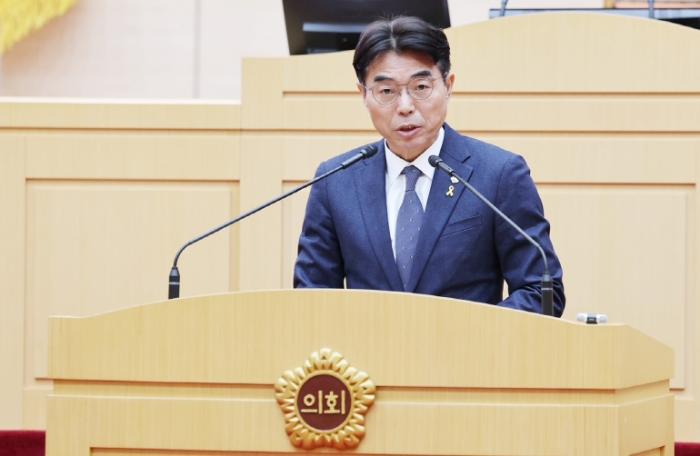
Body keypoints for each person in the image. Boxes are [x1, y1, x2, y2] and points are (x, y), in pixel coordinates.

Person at [293, 16, 565, 316]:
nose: (405, 106)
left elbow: (541, 292)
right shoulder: (336, 182)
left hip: (468, 346)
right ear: (364, 95)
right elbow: (311, 300)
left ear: (448, 85)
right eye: (386, 92)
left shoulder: (499, 175)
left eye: (421, 87)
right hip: (367, 347)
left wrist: (470, 333)